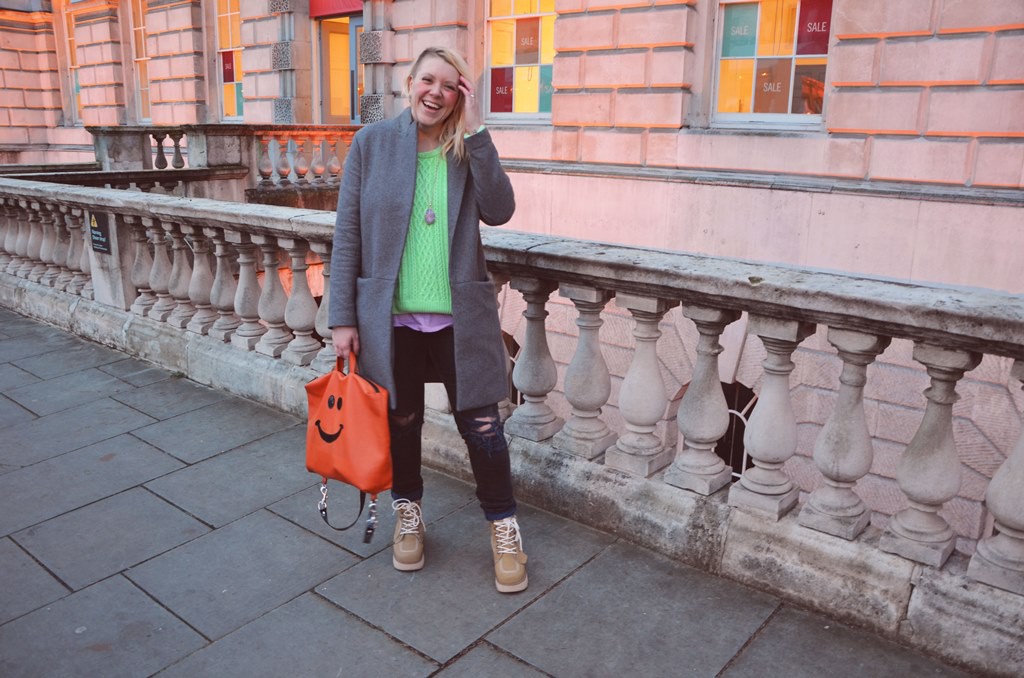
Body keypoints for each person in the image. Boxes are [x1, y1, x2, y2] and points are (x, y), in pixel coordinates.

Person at [328, 47, 527, 593]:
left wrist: (479, 128)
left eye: (449, 85)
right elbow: (347, 234)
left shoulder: (466, 149)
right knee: (402, 422)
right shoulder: (372, 144)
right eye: (428, 81)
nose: (435, 93)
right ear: (409, 82)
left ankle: (503, 527)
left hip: (459, 317)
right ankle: (408, 515)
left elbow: (501, 209)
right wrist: (342, 315)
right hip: (388, 318)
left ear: (459, 94)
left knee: (483, 427)